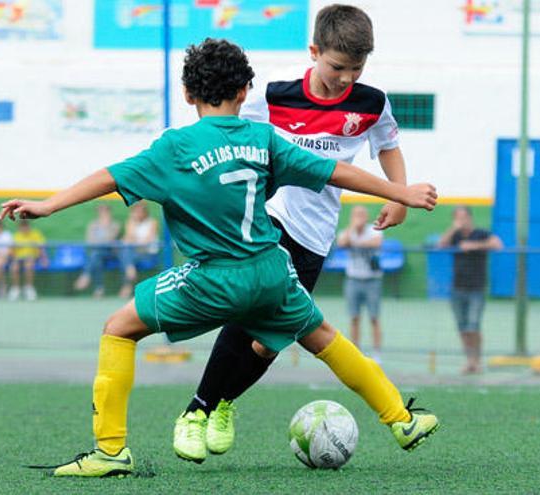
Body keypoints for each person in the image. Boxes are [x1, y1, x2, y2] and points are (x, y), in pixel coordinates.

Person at [0, 38, 439, 477]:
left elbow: (108, 178)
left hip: (212, 280)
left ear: (188, 95)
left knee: (118, 329)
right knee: (324, 336)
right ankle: (401, 420)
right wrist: (401, 192)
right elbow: (337, 172)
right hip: (271, 273)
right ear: (246, 91)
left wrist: (48, 205)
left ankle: (111, 451)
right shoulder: (263, 138)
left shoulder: (175, 148)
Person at [175, 4, 413, 462]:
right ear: (314, 52)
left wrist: (397, 196)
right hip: (270, 218)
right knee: (248, 308)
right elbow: (226, 128)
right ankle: (197, 410)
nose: (346, 78)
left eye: (356, 68)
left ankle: (222, 403)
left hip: (317, 236)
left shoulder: (371, 103)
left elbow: (389, 146)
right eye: (337, 67)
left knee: (268, 340)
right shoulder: (274, 92)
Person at [438, 206, 503, 374]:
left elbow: (497, 244)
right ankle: (469, 361)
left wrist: (473, 245)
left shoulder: (481, 233)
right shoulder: (455, 236)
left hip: (477, 288)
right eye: (458, 217)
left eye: (464, 217)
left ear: (470, 217)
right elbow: (441, 245)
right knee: (462, 327)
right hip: (457, 288)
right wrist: (454, 229)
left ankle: (477, 360)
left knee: (473, 326)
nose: (461, 220)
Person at [337, 205, 384, 357]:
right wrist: (353, 227)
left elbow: (376, 243)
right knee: (354, 317)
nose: (359, 218)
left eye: (362, 215)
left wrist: (355, 243)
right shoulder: (347, 232)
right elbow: (342, 243)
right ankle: (356, 351)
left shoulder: (374, 230)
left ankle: (377, 353)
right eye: (356, 215)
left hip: (372, 280)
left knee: (374, 317)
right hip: (353, 280)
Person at [74, 204, 120, 298]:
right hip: (97, 253)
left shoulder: (115, 224)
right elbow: (89, 241)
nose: (103, 214)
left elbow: (110, 240)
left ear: (109, 212)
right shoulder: (93, 224)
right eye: (101, 212)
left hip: (110, 253)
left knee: (95, 255)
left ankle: (86, 275)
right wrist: (101, 240)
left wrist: (105, 228)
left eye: (105, 212)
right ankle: (99, 289)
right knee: (96, 258)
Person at [117, 202, 159, 298]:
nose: (138, 213)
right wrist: (132, 222)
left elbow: (146, 242)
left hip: (148, 254)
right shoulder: (132, 222)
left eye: (140, 211)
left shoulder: (152, 222)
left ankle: (127, 283)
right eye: (135, 212)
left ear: (145, 212)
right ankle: (130, 269)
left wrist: (133, 241)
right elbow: (128, 238)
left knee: (125, 255)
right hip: (134, 253)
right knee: (125, 254)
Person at [9, 219, 48, 301]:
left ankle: (29, 288)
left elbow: (41, 248)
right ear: (19, 227)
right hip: (18, 258)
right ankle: (16, 288)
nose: (24, 228)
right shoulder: (16, 236)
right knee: (14, 267)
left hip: (33, 258)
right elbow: (11, 252)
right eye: (22, 227)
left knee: (29, 265)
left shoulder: (36, 234)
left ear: (28, 226)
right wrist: (13, 257)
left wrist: (44, 259)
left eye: (26, 226)